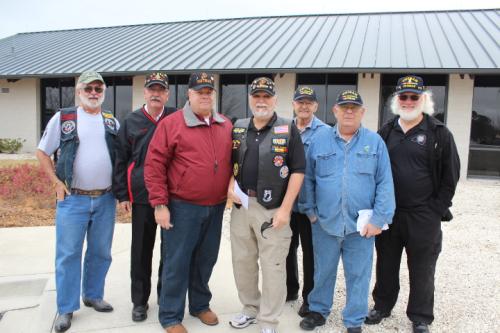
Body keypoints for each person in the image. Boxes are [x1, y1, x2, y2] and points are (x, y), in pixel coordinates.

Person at [366, 75, 460, 333]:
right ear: (397, 100)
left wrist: (436, 209)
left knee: (422, 267)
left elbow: (451, 176)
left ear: (423, 99)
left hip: (423, 215)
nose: (408, 101)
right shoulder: (386, 132)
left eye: (413, 96)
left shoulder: (439, 133)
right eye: (403, 96)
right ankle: (382, 306)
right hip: (390, 214)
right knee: (386, 263)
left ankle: (420, 317)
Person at [298, 90, 395, 333]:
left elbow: (385, 183)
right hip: (325, 223)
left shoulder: (375, 143)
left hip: (361, 227)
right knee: (323, 271)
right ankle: (318, 311)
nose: (349, 111)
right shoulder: (319, 141)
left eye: (354, 107)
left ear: (362, 112)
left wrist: (379, 219)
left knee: (359, 275)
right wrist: (310, 212)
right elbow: (307, 178)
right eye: (344, 107)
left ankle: (354, 320)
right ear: (335, 111)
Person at [144, 72, 233, 333]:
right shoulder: (171, 124)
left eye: (209, 91)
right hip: (182, 206)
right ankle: (171, 315)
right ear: (189, 95)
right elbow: (154, 166)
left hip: (216, 206)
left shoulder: (225, 124)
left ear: (213, 95)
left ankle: (199, 305)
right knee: (177, 261)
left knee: (206, 259)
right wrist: (160, 204)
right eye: (199, 91)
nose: (205, 95)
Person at [36, 71, 118, 332]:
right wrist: (56, 182)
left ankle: (93, 295)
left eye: (98, 88)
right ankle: (66, 307)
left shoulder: (110, 121)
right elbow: (42, 151)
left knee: (100, 252)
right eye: (88, 88)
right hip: (73, 199)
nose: (94, 93)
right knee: (68, 254)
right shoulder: (64, 118)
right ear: (78, 91)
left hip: (105, 198)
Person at [228, 77, 305, 333]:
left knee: (272, 266)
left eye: (266, 96)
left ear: (275, 99)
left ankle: (269, 320)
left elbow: (297, 170)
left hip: (273, 209)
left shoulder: (288, 128)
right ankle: (250, 309)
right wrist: (230, 186)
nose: (261, 100)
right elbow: (232, 164)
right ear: (250, 98)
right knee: (243, 262)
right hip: (242, 206)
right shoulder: (238, 127)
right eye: (257, 96)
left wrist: (285, 209)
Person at [113, 72, 177, 322]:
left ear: (168, 94)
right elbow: (120, 160)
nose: (156, 93)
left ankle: (166, 296)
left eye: (161, 89)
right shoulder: (131, 121)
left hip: (172, 195)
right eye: (152, 89)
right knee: (141, 251)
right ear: (145, 92)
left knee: (170, 250)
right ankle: (139, 301)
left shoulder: (176, 117)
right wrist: (122, 195)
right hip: (141, 196)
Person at [285, 86, 327, 317]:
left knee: (311, 254)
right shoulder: (283, 129)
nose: (304, 106)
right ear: (294, 104)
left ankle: (309, 299)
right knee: (286, 249)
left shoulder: (325, 132)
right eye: (300, 101)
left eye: (309, 102)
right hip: (287, 205)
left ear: (315, 106)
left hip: (312, 206)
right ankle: (290, 289)